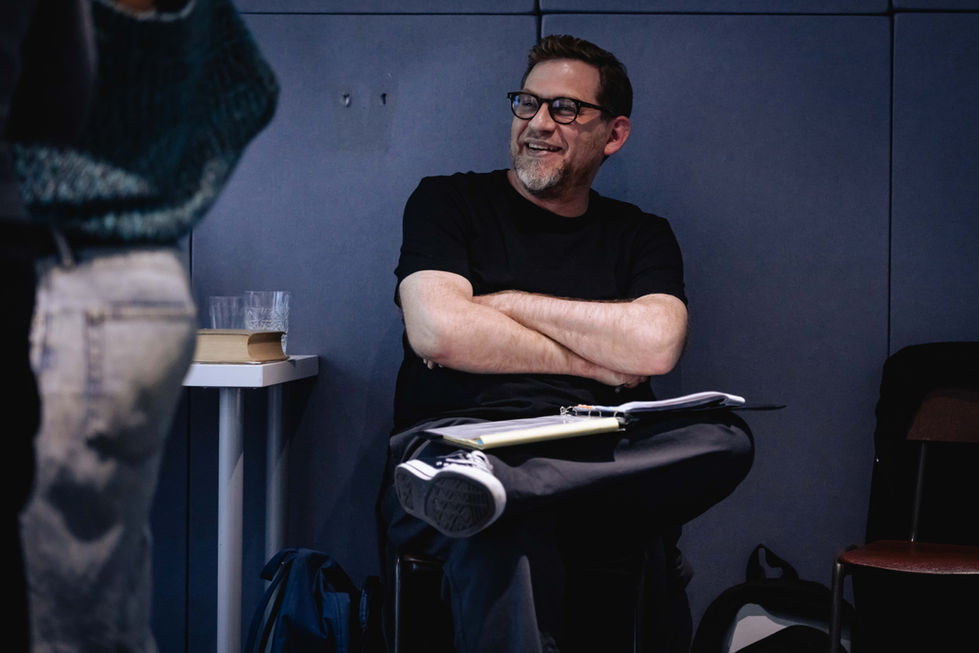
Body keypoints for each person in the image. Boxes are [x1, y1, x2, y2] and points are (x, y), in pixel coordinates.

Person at [379, 35, 754, 653]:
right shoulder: (448, 202)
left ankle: (508, 484)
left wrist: (504, 302)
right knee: (493, 526)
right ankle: (483, 484)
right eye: (527, 103)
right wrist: (599, 361)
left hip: (600, 448)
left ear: (614, 134)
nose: (538, 123)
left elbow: (656, 347)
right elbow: (439, 332)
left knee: (726, 437)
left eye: (566, 109)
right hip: (455, 443)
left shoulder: (641, 235)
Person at [2, 0, 278, 650]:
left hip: (76, 280)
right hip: (116, 284)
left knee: (60, 617)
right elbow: (249, 86)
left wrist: (112, 196)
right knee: (102, 604)